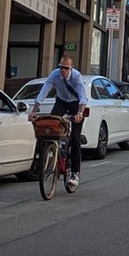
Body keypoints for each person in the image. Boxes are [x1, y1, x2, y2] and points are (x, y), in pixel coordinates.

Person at [32, 54, 89, 192]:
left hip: (76, 104)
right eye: (61, 67)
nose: (63, 71)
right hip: (62, 101)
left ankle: (75, 173)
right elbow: (45, 89)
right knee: (50, 125)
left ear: (71, 68)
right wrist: (35, 109)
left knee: (75, 139)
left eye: (66, 68)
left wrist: (80, 114)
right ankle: (50, 153)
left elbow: (83, 97)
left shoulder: (76, 77)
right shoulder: (55, 75)